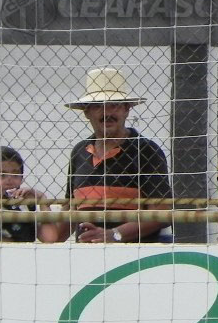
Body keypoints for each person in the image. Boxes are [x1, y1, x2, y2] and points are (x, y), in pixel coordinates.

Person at [60, 67, 171, 243]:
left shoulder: (147, 151)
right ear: (86, 112)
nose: (107, 113)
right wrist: (37, 203)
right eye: (98, 106)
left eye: (115, 104)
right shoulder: (78, 152)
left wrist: (114, 235)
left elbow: (162, 213)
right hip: (85, 256)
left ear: (127, 109)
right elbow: (68, 214)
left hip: (135, 258)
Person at [0, 146, 58, 242]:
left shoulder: (26, 207)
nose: (9, 180)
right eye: (2, 175)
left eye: (15, 175)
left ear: (21, 178)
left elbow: (50, 238)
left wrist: (42, 200)